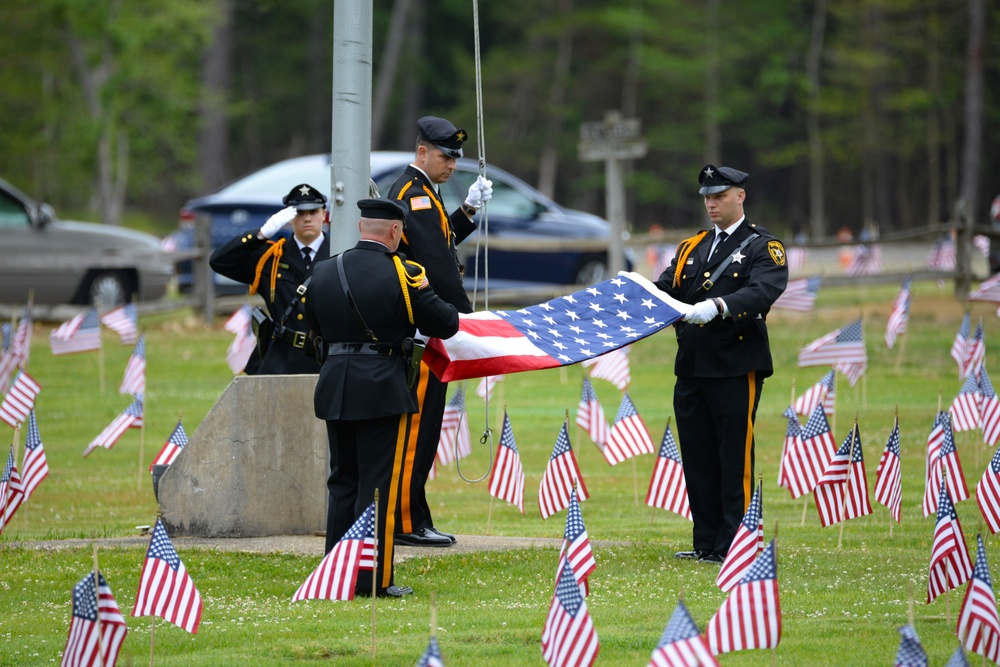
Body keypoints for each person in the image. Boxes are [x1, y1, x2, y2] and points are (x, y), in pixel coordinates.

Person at [305, 198, 459, 597]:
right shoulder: (405, 274)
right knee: (377, 485)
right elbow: (446, 322)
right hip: (380, 387)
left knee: (342, 481)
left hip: (335, 382)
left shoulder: (324, 271)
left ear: (361, 227)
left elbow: (313, 333)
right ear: (395, 232)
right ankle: (373, 579)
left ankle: (336, 574)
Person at [654, 164, 788, 564]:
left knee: (734, 457)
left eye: (720, 196)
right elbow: (665, 290)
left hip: (734, 364)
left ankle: (737, 544)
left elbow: (763, 291)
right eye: (708, 198)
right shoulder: (691, 247)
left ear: (740, 196)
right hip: (692, 366)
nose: (712, 204)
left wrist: (719, 306)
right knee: (697, 457)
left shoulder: (764, 246)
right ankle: (707, 542)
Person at [385, 116, 493, 547]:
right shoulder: (417, 195)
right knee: (419, 428)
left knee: (425, 425)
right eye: (446, 156)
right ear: (422, 152)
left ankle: (414, 514)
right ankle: (407, 520)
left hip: (424, 322)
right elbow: (438, 268)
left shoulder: (423, 192)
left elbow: (439, 242)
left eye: (455, 158)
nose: (452, 165)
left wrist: (466, 212)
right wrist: (463, 323)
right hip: (423, 328)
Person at [210, 183, 330, 375]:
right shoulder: (271, 257)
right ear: (289, 218)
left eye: (313, 211)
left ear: (324, 214)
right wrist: (260, 235)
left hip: (326, 358)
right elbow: (219, 262)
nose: (307, 218)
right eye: (299, 213)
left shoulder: (339, 255)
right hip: (282, 358)